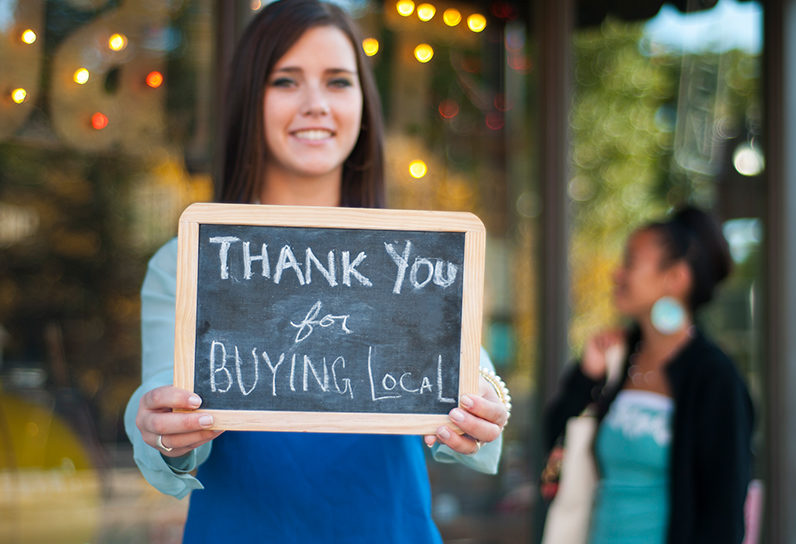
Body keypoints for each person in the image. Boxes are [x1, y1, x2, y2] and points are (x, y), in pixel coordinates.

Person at [123, 2, 510, 542]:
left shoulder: (411, 257)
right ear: (248, 100)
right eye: (285, 80)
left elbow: (472, 389)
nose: (315, 104)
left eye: (338, 82)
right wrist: (161, 429)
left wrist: (484, 408)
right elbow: (162, 413)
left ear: (363, 105)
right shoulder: (187, 260)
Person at [543, 206, 754, 544]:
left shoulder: (715, 378)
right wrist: (587, 377)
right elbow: (554, 441)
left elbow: (723, 517)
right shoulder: (616, 361)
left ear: (676, 278)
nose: (617, 273)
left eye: (630, 262)